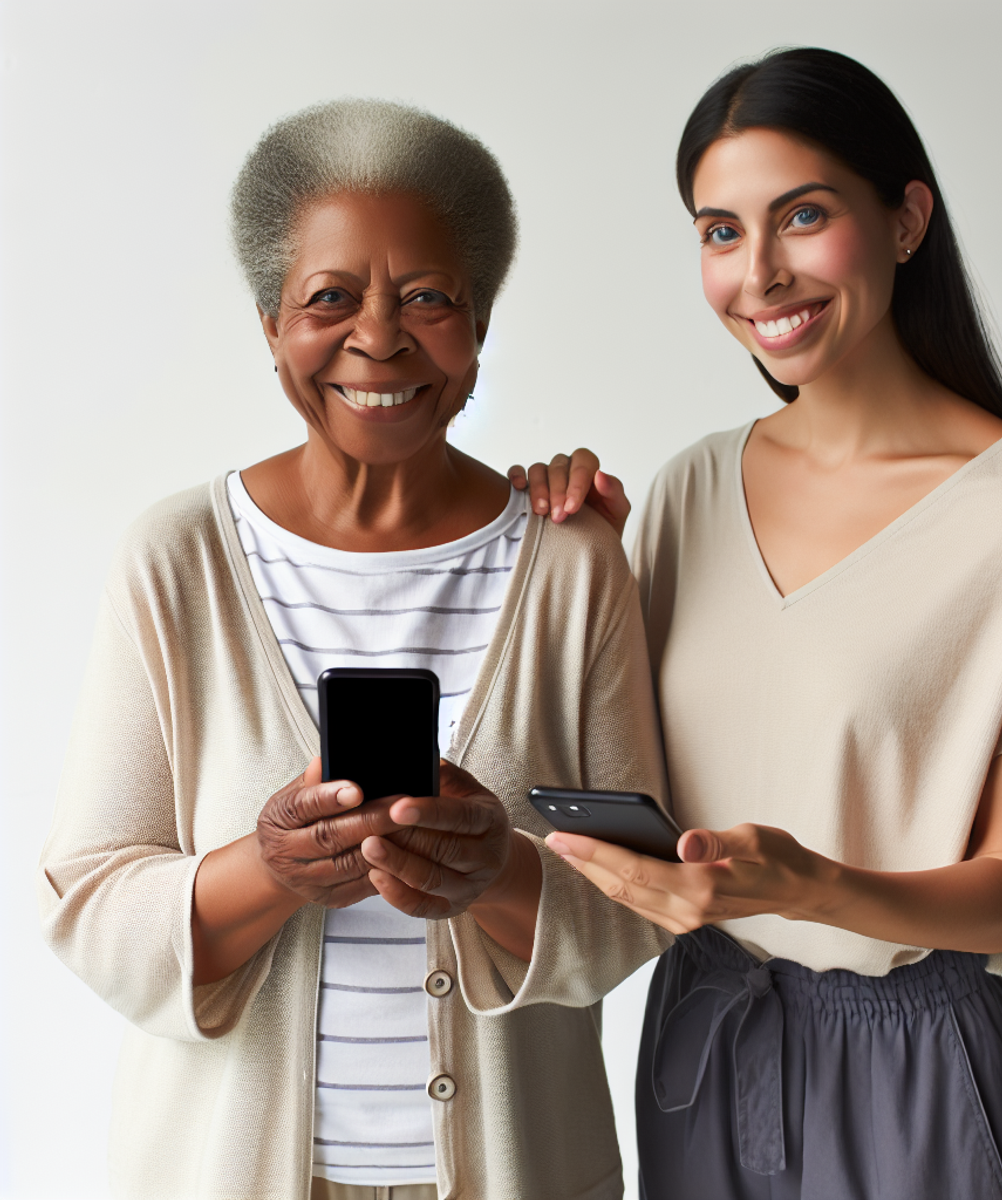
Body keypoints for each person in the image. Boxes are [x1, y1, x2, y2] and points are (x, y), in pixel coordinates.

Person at [513, 48, 1002, 1200]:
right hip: (704, 1040)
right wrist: (570, 563)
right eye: (719, 232)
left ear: (907, 219)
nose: (758, 274)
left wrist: (806, 884)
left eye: (801, 217)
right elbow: (600, 772)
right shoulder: (692, 491)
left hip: (917, 1070)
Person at [38, 99, 670, 1200]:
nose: (380, 340)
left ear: (480, 319)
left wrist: (500, 872)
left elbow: (641, 899)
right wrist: (265, 870)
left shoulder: (572, 566)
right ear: (270, 322)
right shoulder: (176, 559)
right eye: (330, 298)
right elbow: (88, 908)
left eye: (429, 297)